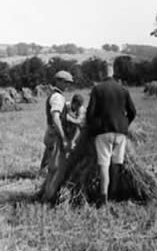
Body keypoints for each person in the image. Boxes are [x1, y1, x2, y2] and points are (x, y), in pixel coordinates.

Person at [86, 63, 137, 207]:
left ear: (102, 73)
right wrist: (125, 124)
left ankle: (103, 197)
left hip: (103, 131)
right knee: (116, 164)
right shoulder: (123, 89)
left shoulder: (97, 89)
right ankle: (114, 193)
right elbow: (133, 111)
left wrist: (91, 130)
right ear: (112, 73)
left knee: (104, 165)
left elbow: (90, 114)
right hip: (121, 133)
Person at [39, 70, 74, 175]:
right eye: (66, 82)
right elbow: (56, 118)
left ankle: (42, 173)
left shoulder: (56, 95)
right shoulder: (57, 97)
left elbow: (62, 116)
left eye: (69, 83)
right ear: (59, 81)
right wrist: (63, 137)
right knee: (54, 162)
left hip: (52, 131)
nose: (68, 85)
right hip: (55, 132)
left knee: (49, 155)